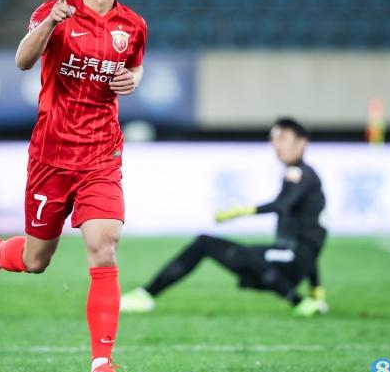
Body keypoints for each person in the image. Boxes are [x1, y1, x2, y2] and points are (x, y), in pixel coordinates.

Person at [0, 0, 146, 372]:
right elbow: (23, 61)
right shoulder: (54, 11)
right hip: (51, 155)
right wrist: (50, 24)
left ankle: (101, 366)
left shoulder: (133, 26)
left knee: (104, 242)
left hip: (102, 155)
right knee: (36, 259)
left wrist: (132, 80)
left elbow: (135, 67)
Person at [120, 117, 329, 317]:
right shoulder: (301, 176)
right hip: (290, 256)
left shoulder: (300, 174)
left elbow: (283, 208)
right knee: (207, 244)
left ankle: (300, 302)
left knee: (247, 256)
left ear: (302, 142)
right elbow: (312, 238)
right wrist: (317, 288)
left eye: (283, 138)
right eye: (273, 139)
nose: (276, 145)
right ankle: (145, 295)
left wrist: (241, 212)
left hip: (292, 258)